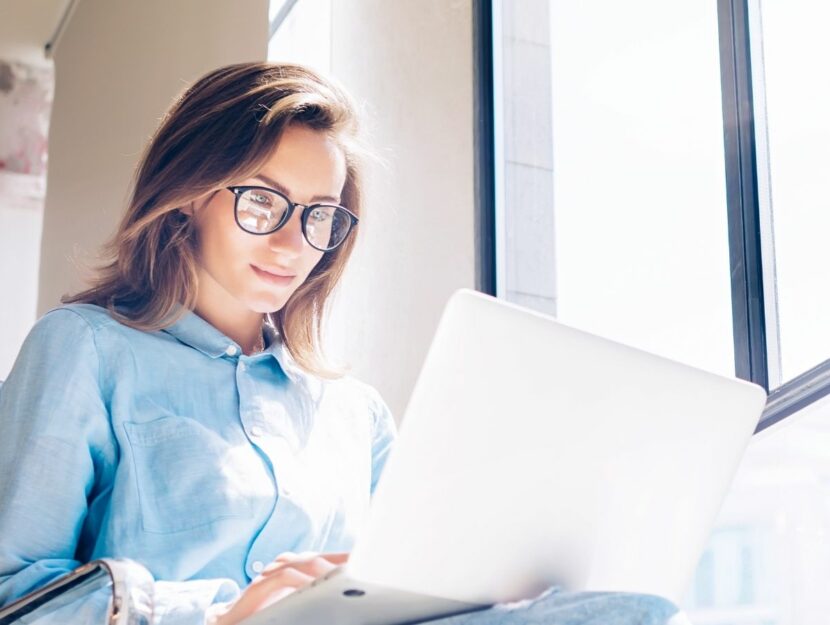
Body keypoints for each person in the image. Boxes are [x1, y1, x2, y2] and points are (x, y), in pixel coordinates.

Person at [0, 62, 686, 625]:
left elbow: (406, 591)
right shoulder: (85, 350)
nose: (293, 243)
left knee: (634, 609)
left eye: (320, 215)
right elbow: (14, 592)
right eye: (262, 202)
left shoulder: (355, 416)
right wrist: (219, 615)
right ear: (189, 194)